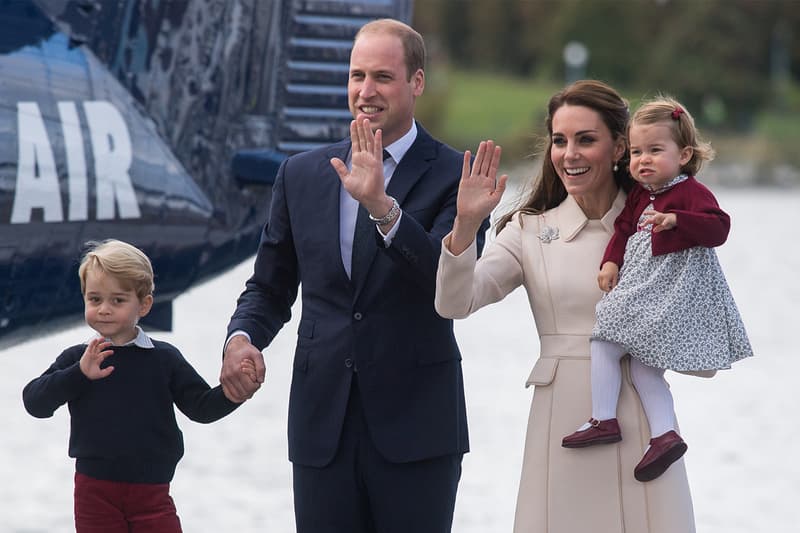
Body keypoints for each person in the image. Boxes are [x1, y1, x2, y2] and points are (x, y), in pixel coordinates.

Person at [220, 18, 488, 533]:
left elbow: (449, 285)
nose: (366, 91)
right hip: (323, 430)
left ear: (417, 82)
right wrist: (242, 337)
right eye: (356, 76)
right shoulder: (300, 175)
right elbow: (269, 288)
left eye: (383, 77)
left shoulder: (459, 176)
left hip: (418, 432)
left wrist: (383, 208)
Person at [435, 80, 696, 532]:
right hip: (564, 428)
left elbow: (699, 340)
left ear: (619, 148)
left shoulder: (663, 226)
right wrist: (465, 225)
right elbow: (455, 302)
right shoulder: (529, 230)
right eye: (560, 140)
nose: (568, 154)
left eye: (585, 140)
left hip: (648, 432)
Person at [561, 96, 753, 481]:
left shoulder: (690, 192)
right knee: (645, 369)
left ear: (683, 155)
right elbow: (624, 229)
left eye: (654, 150)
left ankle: (604, 417)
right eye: (635, 152)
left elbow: (719, 228)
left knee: (604, 337)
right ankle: (665, 435)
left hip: (667, 292)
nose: (643, 159)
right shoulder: (638, 194)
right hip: (643, 284)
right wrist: (611, 261)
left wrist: (676, 219)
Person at [22, 239, 243, 533]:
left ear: (145, 304)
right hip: (94, 493)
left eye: (118, 300)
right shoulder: (79, 359)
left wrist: (234, 393)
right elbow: (35, 402)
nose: (104, 309)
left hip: (152, 493)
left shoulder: (165, 359)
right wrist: (79, 374)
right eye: (95, 299)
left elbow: (200, 406)